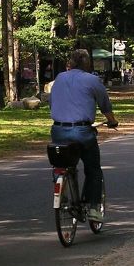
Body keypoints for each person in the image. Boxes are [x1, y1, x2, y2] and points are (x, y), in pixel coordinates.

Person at [50, 49, 118, 222]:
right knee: (93, 169)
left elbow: (53, 102)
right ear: (87, 64)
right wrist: (112, 121)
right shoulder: (92, 80)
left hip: (58, 130)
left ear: (70, 63)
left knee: (62, 163)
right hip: (82, 132)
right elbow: (105, 105)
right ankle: (94, 208)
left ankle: (62, 186)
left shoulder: (59, 78)